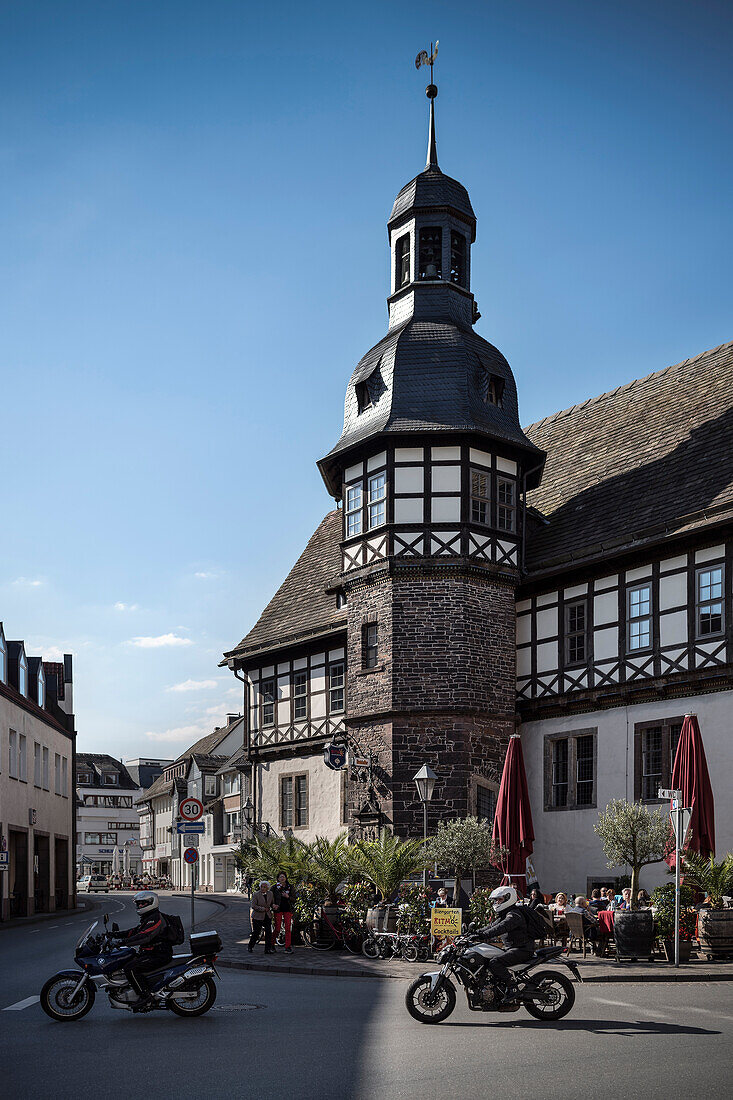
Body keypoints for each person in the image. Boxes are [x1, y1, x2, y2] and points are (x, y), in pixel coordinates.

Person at [109, 891, 173, 1008]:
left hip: (158, 954)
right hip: (151, 953)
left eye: (142, 904)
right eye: (138, 904)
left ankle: (145, 996)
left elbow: (144, 936)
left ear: (151, 903)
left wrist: (122, 943)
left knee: (130, 968)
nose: (139, 906)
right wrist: (115, 935)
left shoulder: (155, 919)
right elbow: (135, 931)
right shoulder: (148, 917)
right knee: (128, 961)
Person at [476, 886, 536, 1003]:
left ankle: (512, 988)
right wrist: (475, 933)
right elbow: (492, 926)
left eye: (500, 899)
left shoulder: (514, 915)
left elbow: (500, 928)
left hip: (522, 950)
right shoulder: (506, 913)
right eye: (496, 900)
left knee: (495, 962)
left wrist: (483, 936)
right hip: (512, 948)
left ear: (509, 898)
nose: (497, 902)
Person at [248, 880, 275, 954]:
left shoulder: (270, 894)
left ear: (267, 888)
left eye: (264, 887)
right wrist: (263, 909)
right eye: (261, 887)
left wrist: (273, 906)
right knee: (256, 933)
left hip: (267, 915)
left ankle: (267, 949)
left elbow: (272, 903)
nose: (263, 888)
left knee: (268, 933)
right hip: (257, 916)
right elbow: (253, 906)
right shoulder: (256, 894)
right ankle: (250, 946)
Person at [272, 872, 294, 954]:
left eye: (283, 877)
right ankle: (272, 944)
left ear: (286, 878)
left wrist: (288, 897)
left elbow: (294, 898)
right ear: (278, 878)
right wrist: (273, 904)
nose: (282, 878)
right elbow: (270, 897)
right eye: (280, 877)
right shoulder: (274, 888)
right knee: (277, 928)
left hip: (287, 909)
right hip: (278, 909)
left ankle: (287, 946)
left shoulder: (290, 887)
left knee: (288, 928)